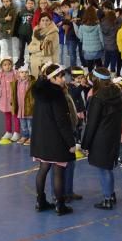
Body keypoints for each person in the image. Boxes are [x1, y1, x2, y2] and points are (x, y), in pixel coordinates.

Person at [30, 63, 76, 215]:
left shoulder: (39, 91)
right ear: (54, 78)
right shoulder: (56, 94)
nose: (64, 79)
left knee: (43, 169)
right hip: (56, 139)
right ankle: (60, 205)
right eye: (61, 76)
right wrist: (71, 142)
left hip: (41, 138)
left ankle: (40, 201)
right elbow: (62, 121)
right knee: (58, 172)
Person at [81, 67, 122, 210]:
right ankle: (111, 195)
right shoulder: (118, 93)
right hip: (113, 135)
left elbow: (91, 123)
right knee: (108, 168)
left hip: (101, 138)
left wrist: (85, 144)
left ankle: (107, 199)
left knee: (103, 169)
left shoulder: (97, 98)